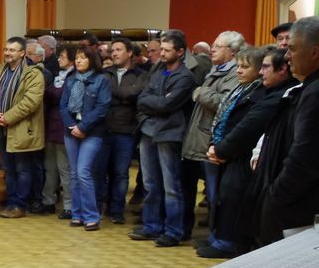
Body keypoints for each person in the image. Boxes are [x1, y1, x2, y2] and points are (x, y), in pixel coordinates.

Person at [200, 45, 270, 258]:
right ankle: (217, 236)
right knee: (220, 197)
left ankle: (227, 242)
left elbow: (245, 128)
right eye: (238, 66)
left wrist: (223, 150)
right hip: (224, 150)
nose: (238, 70)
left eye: (245, 67)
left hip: (240, 155)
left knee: (233, 198)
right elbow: (223, 118)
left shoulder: (259, 94)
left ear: (259, 69)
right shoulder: (240, 89)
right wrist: (215, 145)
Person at [131, 30, 196, 247]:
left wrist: (156, 102)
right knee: (150, 184)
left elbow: (169, 105)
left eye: (167, 50)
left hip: (170, 134)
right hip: (148, 131)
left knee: (171, 186)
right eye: (162, 50)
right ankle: (152, 226)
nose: (162, 54)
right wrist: (157, 102)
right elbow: (141, 99)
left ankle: (174, 231)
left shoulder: (186, 77)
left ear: (180, 52)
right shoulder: (159, 72)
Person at [181, 30, 244, 239]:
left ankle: (215, 237)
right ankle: (184, 231)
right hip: (197, 139)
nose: (212, 49)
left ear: (233, 51)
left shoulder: (235, 73)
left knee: (214, 194)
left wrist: (200, 92)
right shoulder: (215, 70)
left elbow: (224, 103)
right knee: (189, 189)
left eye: (218, 46)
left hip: (210, 141)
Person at [260, 17, 319, 241]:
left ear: (314, 52)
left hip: (300, 208)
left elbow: (305, 157)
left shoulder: (314, 93)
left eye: (292, 49)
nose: (286, 56)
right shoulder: (309, 88)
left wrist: (275, 197)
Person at [0, 37, 46, 219]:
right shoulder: (0, 70)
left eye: (12, 50)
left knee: (22, 169)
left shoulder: (34, 74)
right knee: (8, 169)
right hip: (2, 127)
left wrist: (7, 117)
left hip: (22, 129)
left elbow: (31, 102)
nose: (7, 53)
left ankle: (20, 205)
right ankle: (11, 203)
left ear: (22, 53)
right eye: (6, 49)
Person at [60, 47, 112, 230]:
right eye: (77, 58)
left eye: (83, 58)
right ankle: (77, 214)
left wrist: (82, 127)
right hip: (71, 131)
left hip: (92, 132)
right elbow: (63, 106)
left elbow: (102, 107)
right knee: (74, 174)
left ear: (92, 60)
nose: (78, 61)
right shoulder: (71, 79)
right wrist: (71, 126)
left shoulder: (101, 80)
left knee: (83, 172)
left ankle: (91, 216)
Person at [99, 40, 146, 223]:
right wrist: (124, 95)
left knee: (121, 173)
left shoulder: (140, 74)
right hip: (104, 129)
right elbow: (102, 97)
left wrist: (114, 92)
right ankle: (101, 206)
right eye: (112, 50)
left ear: (130, 53)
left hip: (126, 130)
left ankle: (117, 210)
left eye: (119, 50)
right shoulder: (104, 73)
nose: (114, 53)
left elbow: (133, 95)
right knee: (101, 172)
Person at [39, 45, 74, 219]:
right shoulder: (58, 76)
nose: (59, 59)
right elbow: (49, 94)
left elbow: (60, 96)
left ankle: (69, 205)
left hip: (64, 127)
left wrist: (52, 93)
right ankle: (48, 201)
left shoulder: (74, 77)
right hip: (51, 125)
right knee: (49, 167)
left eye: (63, 56)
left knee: (64, 168)